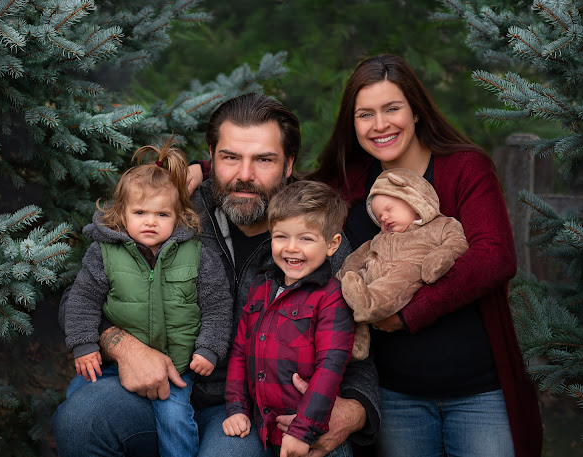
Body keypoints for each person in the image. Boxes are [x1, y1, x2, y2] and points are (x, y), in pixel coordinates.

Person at [52, 93, 381, 457]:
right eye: (230, 157)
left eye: (264, 160)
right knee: (81, 417)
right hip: (159, 386)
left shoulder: (315, 234)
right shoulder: (170, 209)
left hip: (249, 409)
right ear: (211, 158)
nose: (244, 175)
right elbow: (77, 298)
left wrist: (355, 410)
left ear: (289, 164)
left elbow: (356, 344)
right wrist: (126, 349)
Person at [307, 54, 543, 456]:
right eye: (365, 114)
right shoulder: (345, 184)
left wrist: (407, 314)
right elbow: (273, 180)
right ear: (353, 124)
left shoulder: (465, 168)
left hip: (478, 391)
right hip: (397, 396)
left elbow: (494, 257)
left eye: (392, 108)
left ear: (416, 111)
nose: (380, 124)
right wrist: (200, 168)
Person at [62, 141, 232, 457]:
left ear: (179, 215)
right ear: (121, 213)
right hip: (114, 362)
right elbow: (83, 299)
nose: (150, 221)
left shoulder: (197, 256)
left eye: (162, 213)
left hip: (177, 366)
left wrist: (209, 348)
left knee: (174, 419)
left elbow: (218, 305)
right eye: (140, 212)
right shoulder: (104, 253)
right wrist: (84, 344)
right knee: (77, 404)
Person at [223, 180, 355, 457]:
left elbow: (330, 368)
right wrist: (236, 407)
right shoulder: (260, 287)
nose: (291, 248)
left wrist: (303, 430)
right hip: (263, 431)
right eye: (281, 236)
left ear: (332, 245)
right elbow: (239, 352)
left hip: (312, 437)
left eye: (306, 238)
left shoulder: (331, 297)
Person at [336, 167, 468, 360]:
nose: (384, 218)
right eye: (379, 216)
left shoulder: (441, 225)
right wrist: (342, 276)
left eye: (389, 210)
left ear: (414, 203)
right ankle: (356, 345)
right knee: (349, 297)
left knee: (398, 277)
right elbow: (357, 258)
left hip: (408, 271)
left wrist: (439, 257)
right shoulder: (378, 238)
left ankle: (368, 303)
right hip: (370, 277)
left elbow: (457, 242)